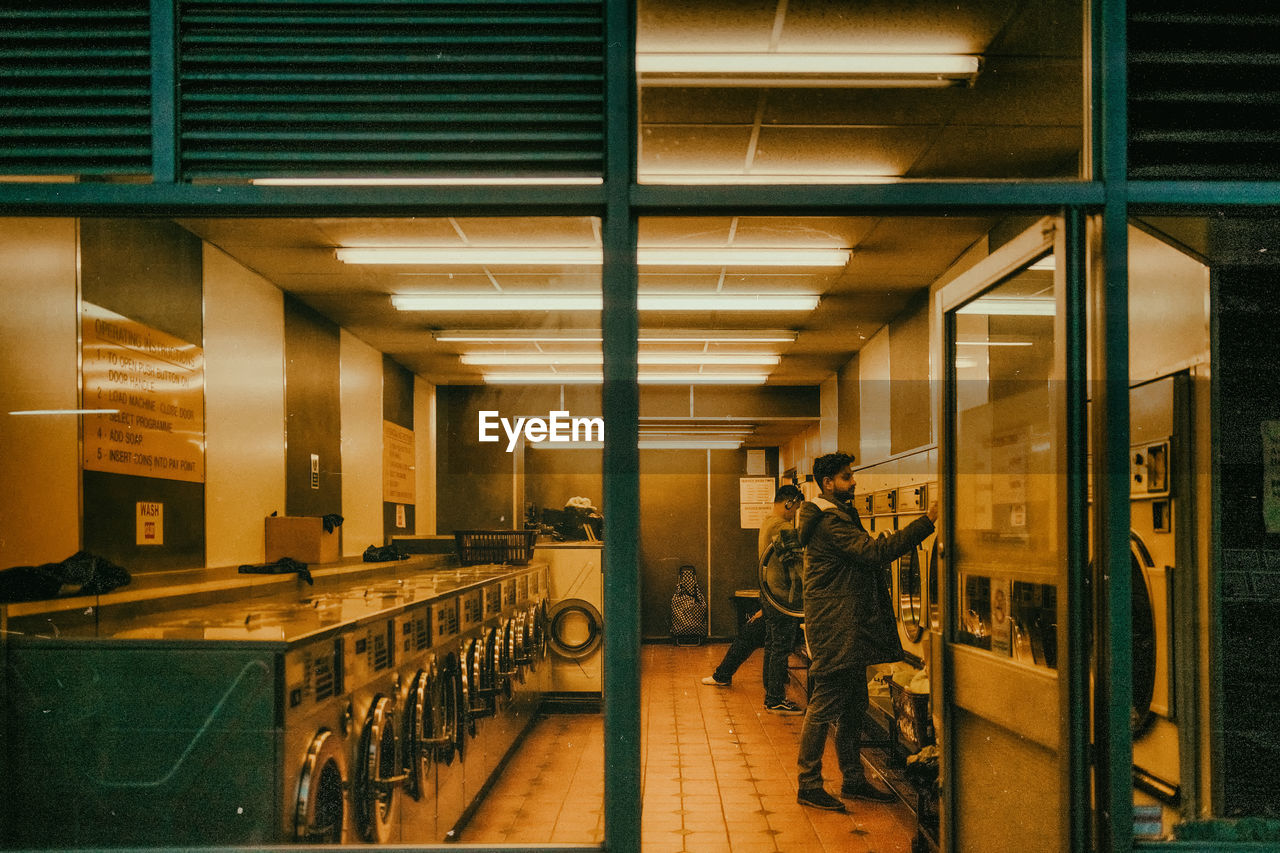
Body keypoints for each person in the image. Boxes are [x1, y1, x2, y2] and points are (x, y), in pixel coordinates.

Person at [793, 452, 938, 813]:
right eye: (846, 477)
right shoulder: (829, 522)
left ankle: (853, 779)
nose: (854, 482)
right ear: (828, 483)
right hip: (836, 627)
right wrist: (927, 520)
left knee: (854, 704)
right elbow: (874, 553)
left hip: (846, 625)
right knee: (825, 704)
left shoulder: (836, 515)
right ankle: (809, 784)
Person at [702, 484, 805, 715]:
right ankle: (774, 698)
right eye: (795, 507)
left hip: (769, 595)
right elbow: (795, 566)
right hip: (783, 599)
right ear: (789, 503)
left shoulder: (768, 521)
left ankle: (770, 691)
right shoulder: (782, 526)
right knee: (779, 646)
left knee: (768, 643)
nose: (795, 512)